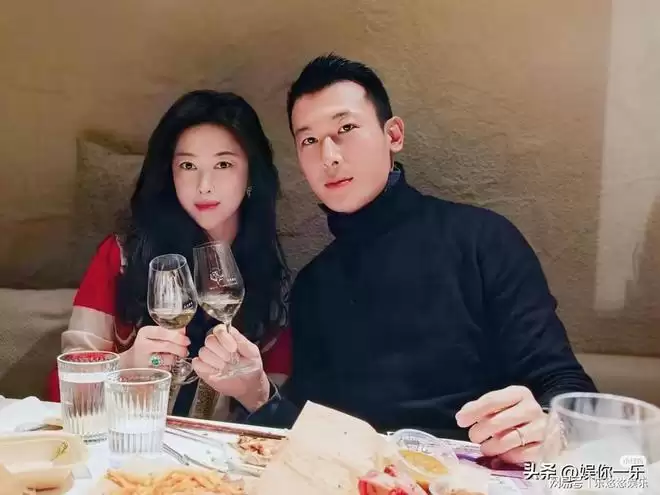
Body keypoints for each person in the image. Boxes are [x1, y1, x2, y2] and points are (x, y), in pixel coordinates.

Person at [192, 55, 597, 463]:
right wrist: (257, 393)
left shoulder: (482, 240)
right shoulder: (314, 284)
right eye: (309, 140)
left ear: (394, 135)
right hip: (355, 478)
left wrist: (550, 428)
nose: (329, 156)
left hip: (472, 474)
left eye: (346, 128)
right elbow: (309, 435)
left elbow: (565, 384)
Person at [48, 90, 291, 419]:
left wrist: (255, 392)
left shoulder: (272, 282)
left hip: (216, 451)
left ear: (251, 174)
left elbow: (281, 424)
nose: (204, 185)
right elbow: (61, 392)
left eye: (223, 164)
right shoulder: (121, 256)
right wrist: (127, 365)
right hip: (127, 440)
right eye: (188, 165)